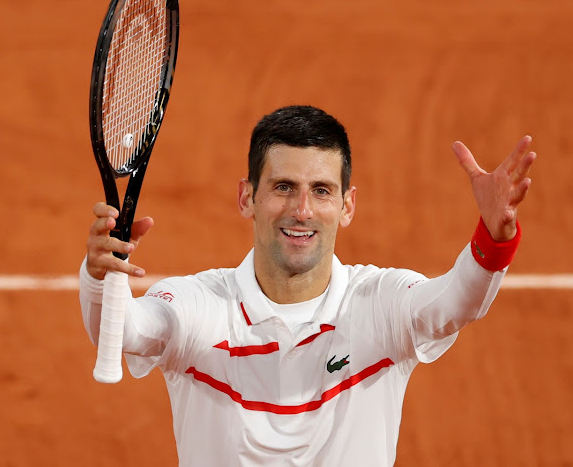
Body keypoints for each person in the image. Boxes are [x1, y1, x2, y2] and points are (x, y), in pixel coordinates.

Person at [80, 105, 536, 467]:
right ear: (247, 197)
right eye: (283, 187)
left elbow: (456, 302)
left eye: (321, 190)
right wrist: (101, 277)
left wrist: (493, 237)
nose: (302, 211)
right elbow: (124, 331)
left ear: (346, 205)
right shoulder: (198, 304)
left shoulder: (380, 303)